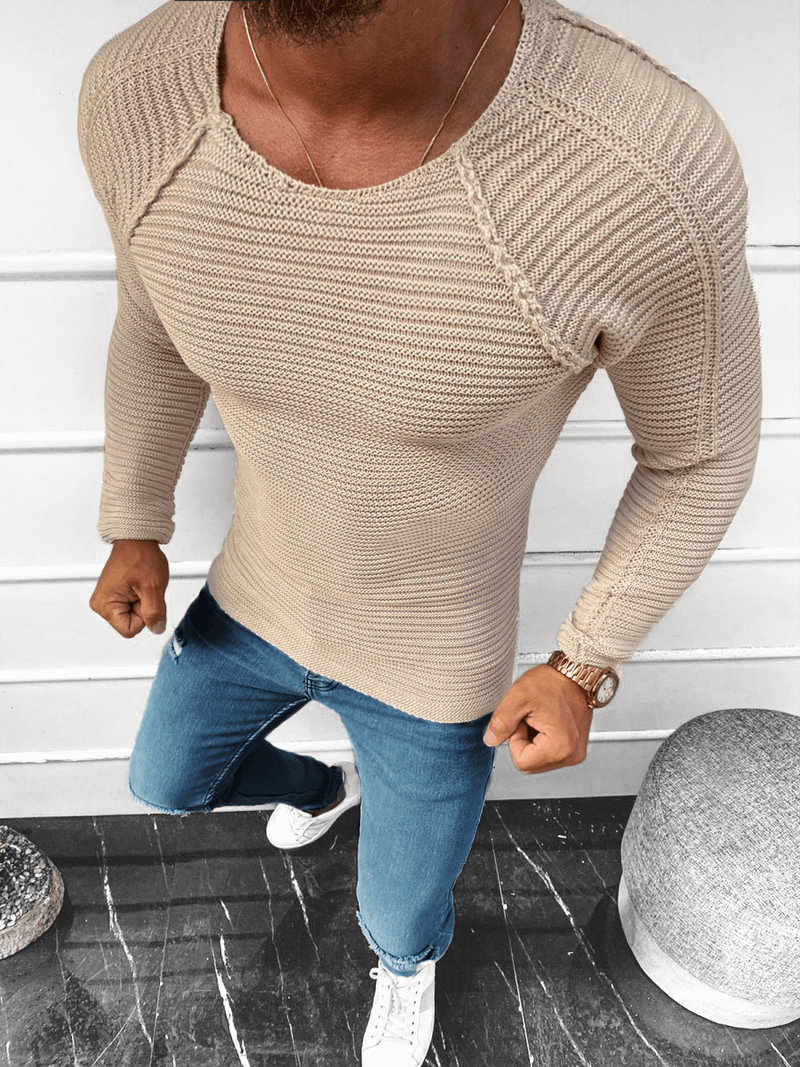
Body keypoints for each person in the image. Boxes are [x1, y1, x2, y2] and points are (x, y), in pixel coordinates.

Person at [78, 1, 761, 1063]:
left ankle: (407, 969)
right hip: (256, 595)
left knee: (396, 914)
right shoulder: (137, 94)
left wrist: (583, 663)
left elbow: (698, 454)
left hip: (434, 660)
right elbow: (155, 322)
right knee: (165, 781)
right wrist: (135, 520)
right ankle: (324, 786)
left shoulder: (637, 164)